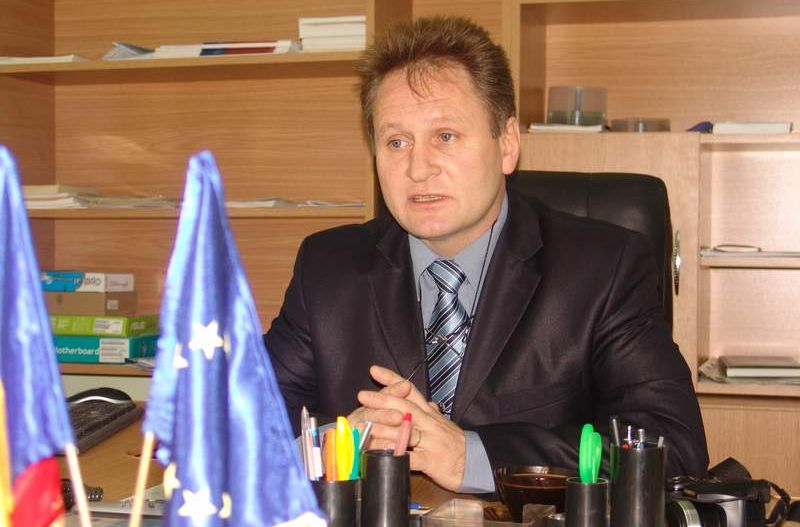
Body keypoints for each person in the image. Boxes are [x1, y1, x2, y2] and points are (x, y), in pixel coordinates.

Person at [265, 15, 708, 493]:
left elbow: (673, 447)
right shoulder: (327, 268)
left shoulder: (603, 268)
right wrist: (338, 446)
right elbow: (236, 424)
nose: (418, 168)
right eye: (396, 142)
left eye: (445, 136)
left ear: (508, 144)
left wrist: (470, 456)